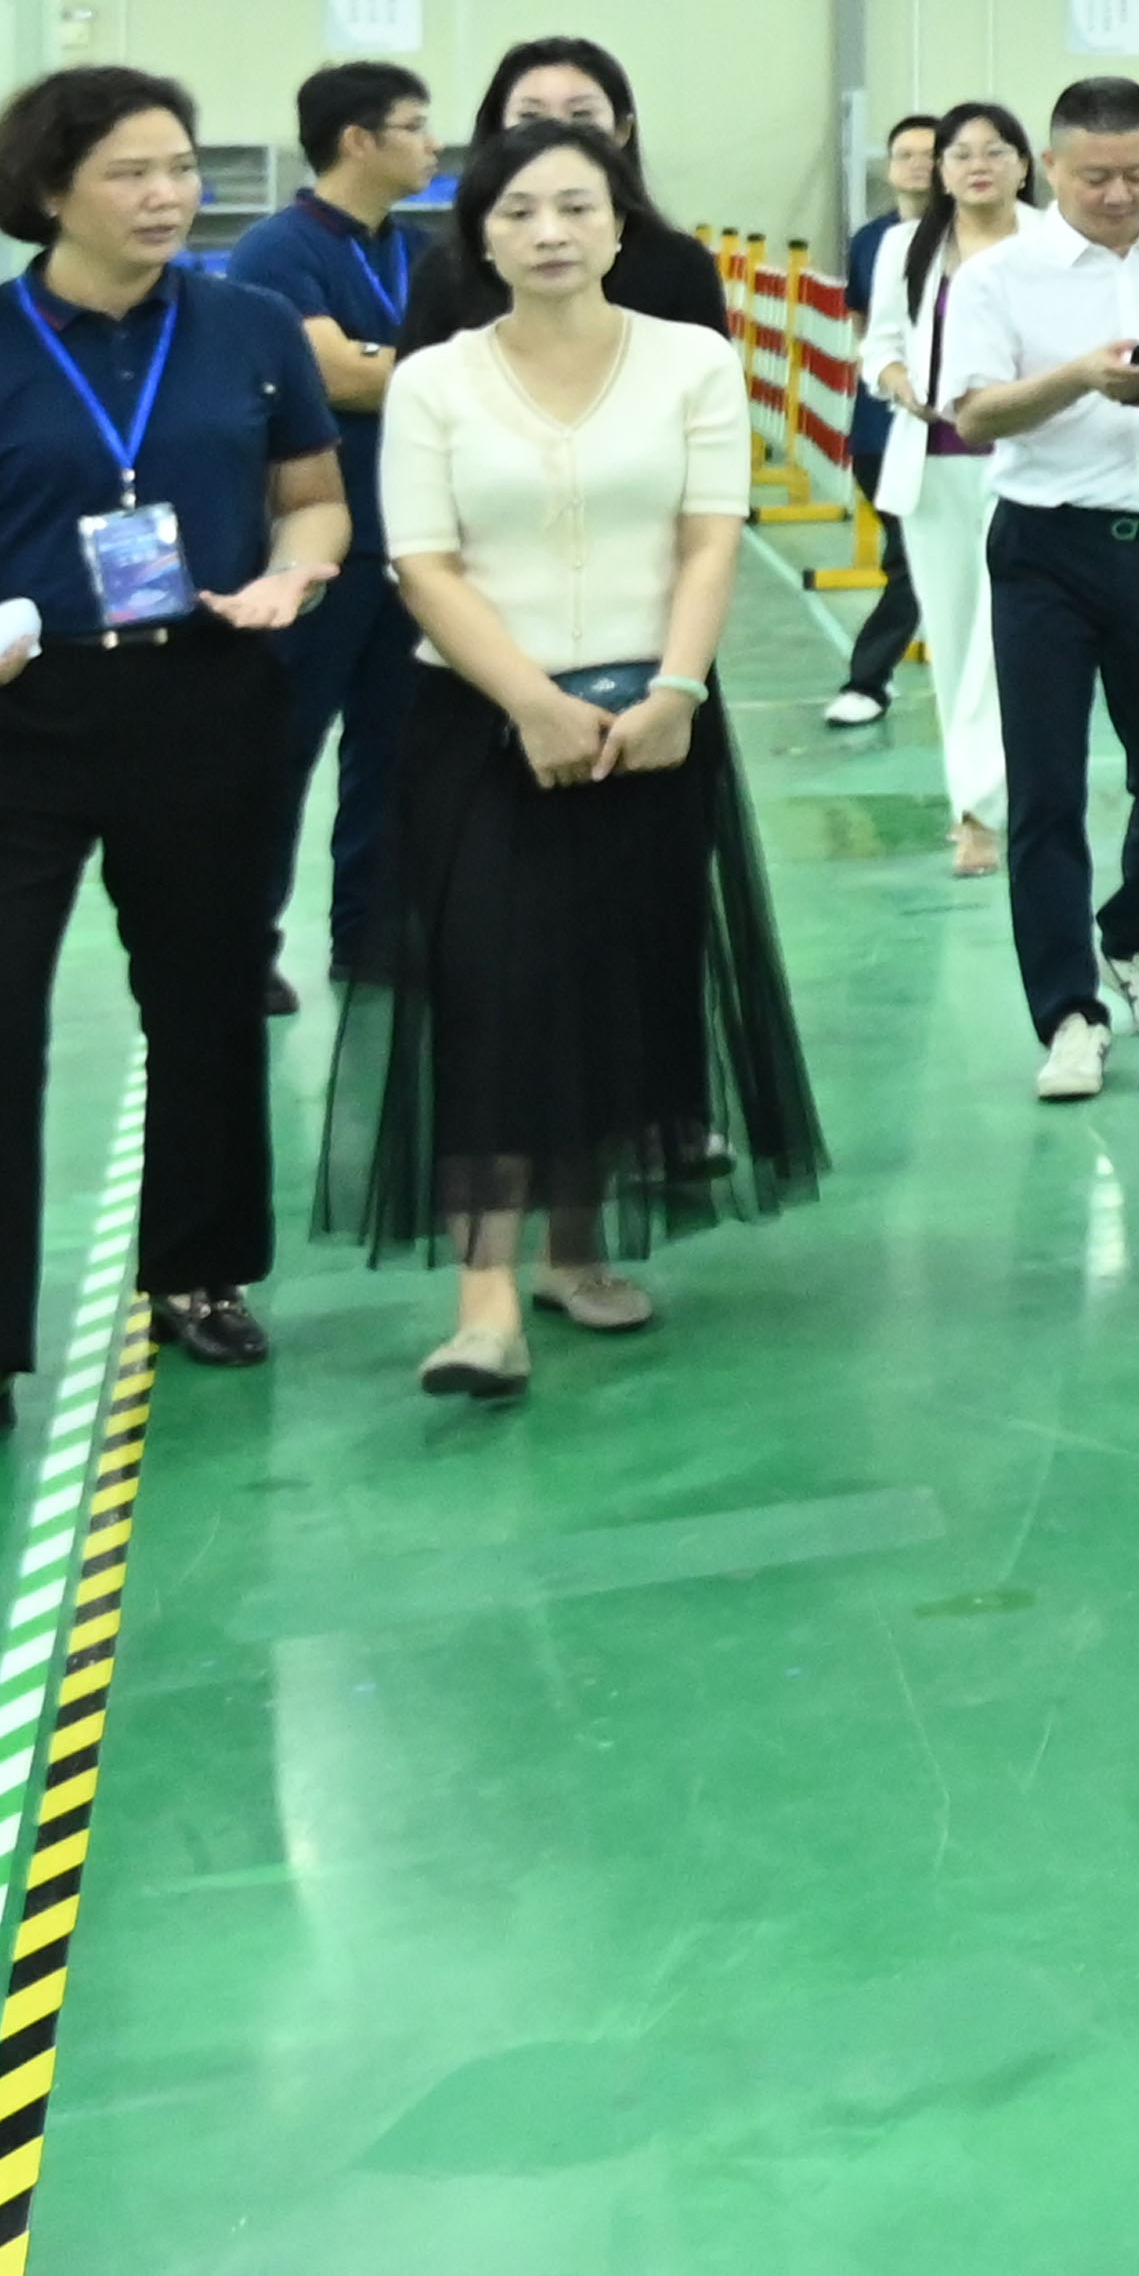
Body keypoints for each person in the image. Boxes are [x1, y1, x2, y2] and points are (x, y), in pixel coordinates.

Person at [0, 70, 346, 1481]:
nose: (168, 195)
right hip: (10, 714)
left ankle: (199, 1271)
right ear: (49, 190)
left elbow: (313, 495)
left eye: (181, 167)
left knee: (207, 999)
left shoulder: (250, 329)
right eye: (131, 172)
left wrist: (296, 574)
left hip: (203, 695)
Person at [329, 119, 826, 1398]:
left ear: (619, 227)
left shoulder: (693, 362)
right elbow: (421, 562)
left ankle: (576, 1247)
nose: (549, 231)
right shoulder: (437, 380)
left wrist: (676, 690)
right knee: (490, 993)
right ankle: (483, 1305)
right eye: (517, 212)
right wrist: (530, 703)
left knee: (620, 983)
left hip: (655, 723)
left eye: (576, 207)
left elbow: (711, 537)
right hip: (478, 728)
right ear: (481, 240)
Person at [939, 76, 1139, 1097]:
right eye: (1098, 176)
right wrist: (1078, 377)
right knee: (1047, 786)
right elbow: (974, 415)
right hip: (1046, 548)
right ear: (1052, 167)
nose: (1119, 195)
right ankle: (1068, 1011)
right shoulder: (998, 278)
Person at [212, 58, 443, 1015]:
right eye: (415, 126)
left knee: (396, 749)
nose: (434, 146)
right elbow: (331, 378)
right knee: (281, 749)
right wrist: (418, 367)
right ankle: (239, 949)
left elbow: (472, 363)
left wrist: (384, 361)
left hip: (414, 541)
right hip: (313, 546)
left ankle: (374, 937)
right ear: (358, 140)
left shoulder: (424, 249)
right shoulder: (278, 251)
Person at [863, 102, 1033, 876]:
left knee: (1001, 644)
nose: (977, 165)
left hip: (1024, 467)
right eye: (960, 153)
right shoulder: (907, 246)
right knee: (957, 643)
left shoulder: (1052, 244)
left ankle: (982, 815)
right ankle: (974, 799)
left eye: (995, 151)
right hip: (933, 464)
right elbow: (879, 347)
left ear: (1024, 166)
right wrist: (902, 385)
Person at [413, 36, 732, 339]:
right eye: (530, 118)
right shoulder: (446, 267)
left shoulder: (681, 265)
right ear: (497, 132)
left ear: (621, 131)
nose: (556, 136)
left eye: (582, 116)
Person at [823, 111, 945, 726]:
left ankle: (868, 679)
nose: (919, 165)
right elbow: (866, 323)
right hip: (879, 428)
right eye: (906, 154)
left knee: (912, 558)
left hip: (950, 431)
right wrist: (892, 377)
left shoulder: (971, 236)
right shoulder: (872, 240)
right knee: (911, 556)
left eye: (932, 153)